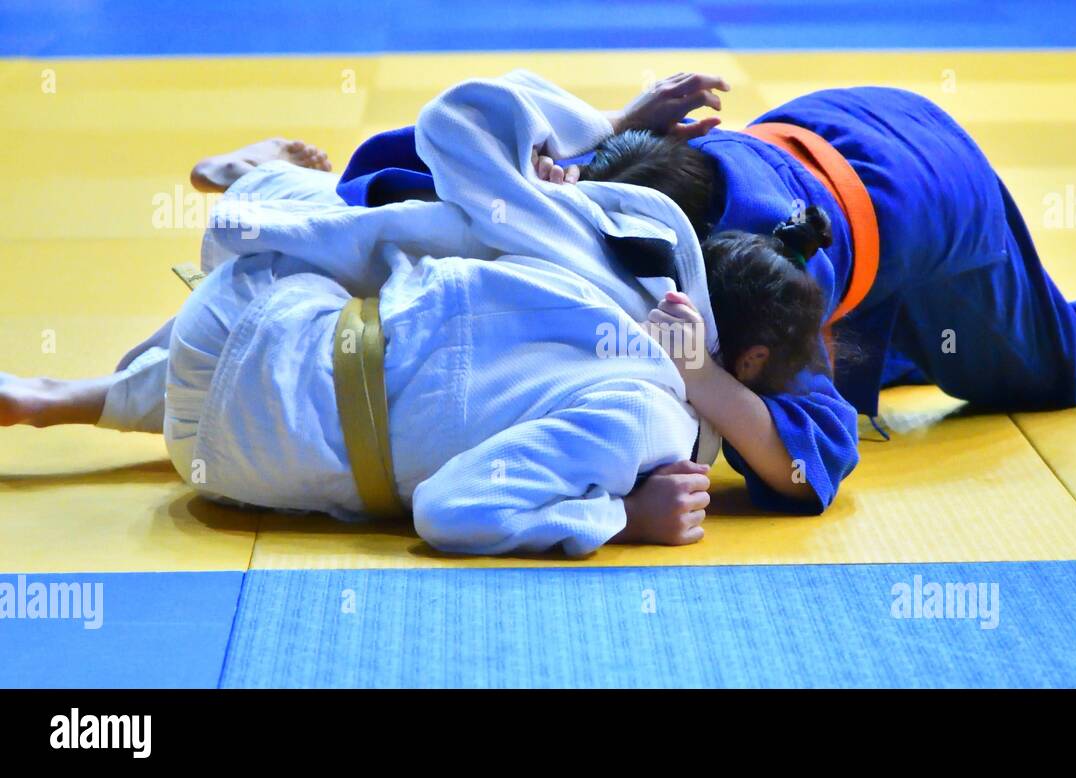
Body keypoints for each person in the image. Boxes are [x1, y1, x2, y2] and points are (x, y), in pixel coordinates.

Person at [329, 73, 1076, 514]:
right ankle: (906, 338)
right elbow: (455, 181)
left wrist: (701, 378)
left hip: (929, 192)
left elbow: (804, 469)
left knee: (1054, 364)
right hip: (837, 120)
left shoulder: (740, 287)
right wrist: (620, 128)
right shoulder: (641, 185)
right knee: (896, 356)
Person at [1, 72, 831, 555]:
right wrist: (621, 520)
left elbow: (462, 117)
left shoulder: (585, 242)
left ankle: (249, 193)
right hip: (230, 456)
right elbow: (449, 511)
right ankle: (73, 398)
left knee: (386, 244)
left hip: (232, 318)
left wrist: (595, 132)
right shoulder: (650, 423)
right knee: (374, 338)